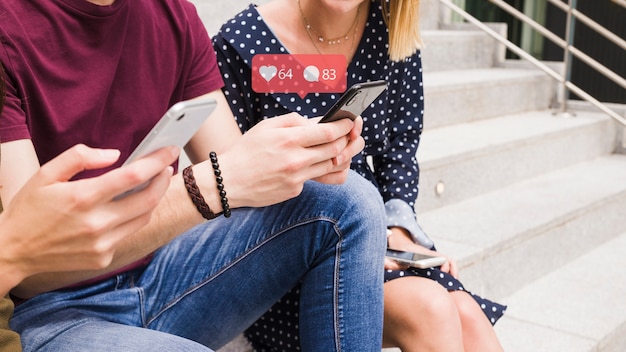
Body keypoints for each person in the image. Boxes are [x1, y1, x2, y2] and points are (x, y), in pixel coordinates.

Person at [0, 1, 387, 351]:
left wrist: (302, 159)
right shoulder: (10, 25)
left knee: (351, 200)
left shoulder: (173, 14)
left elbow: (237, 169)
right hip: (48, 310)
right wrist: (213, 183)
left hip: (161, 274)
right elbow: (32, 269)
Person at [213, 0, 506, 351]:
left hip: (374, 233)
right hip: (286, 253)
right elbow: (230, 191)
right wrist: (358, 241)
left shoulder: (390, 35)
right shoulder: (242, 41)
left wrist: (397, 231)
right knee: (433, 308)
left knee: (467, 314)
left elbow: (399, 149)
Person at [0, 62, 178, 351]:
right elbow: (30, 279)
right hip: (46, 308)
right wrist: (208, 186)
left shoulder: (173, 17)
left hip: (154, 268)